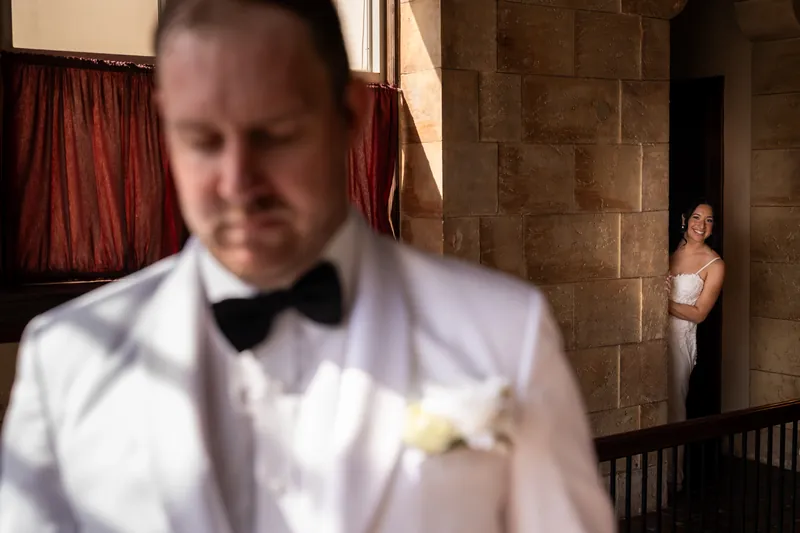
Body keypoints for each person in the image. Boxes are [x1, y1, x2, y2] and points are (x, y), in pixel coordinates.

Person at [0, 0, 615, 531]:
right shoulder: (67, 360)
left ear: (351, 115)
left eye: (275, 134)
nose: (239, 183)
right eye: (203, 140)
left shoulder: (505, 332)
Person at [667, 200, 725, 488]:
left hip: (680, 338)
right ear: (685, 219)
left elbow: (700, 313)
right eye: (696, 217)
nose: (701, 224)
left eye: (709, 220)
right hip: (654, 335)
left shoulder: (715, 264)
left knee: (674, 405)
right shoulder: (671, 252)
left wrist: (663, 303)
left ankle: (670, 479)